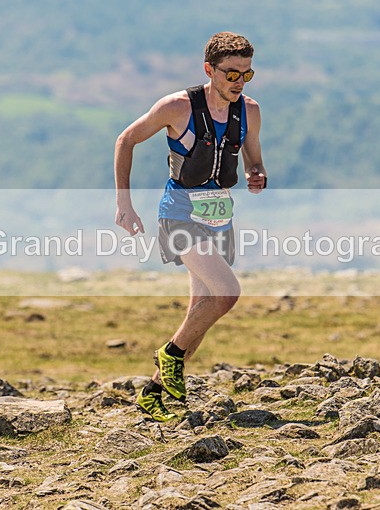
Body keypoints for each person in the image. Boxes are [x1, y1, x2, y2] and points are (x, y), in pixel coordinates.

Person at [113, 32, 267, 422]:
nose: (238, 82)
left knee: (198, 316)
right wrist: (124, 203)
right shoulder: (177, 107)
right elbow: (125, 141)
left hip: (218, 217)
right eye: (231, 73)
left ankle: (151, 394)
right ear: (209, 70)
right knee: (227, 293)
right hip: (179, 214)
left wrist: (256, 173)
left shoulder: (249, 111)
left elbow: (253, 157)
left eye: (246, 74)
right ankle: (169, 354)